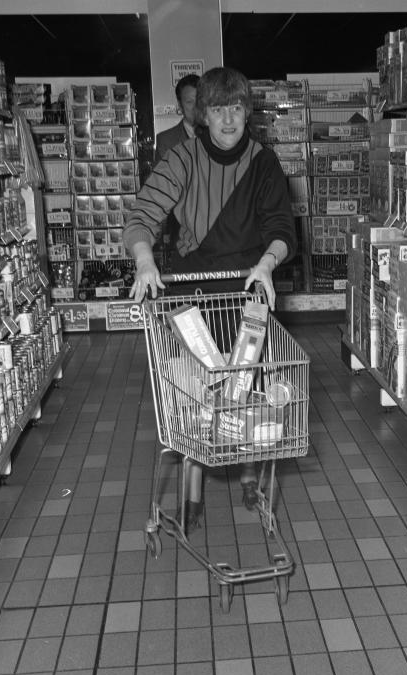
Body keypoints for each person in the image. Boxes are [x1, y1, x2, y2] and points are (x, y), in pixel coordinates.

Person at [123, 66, 296, 532]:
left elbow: (282, 228)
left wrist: (267, 263)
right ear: (203, 115)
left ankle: (248, 475)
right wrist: (145, 261)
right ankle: (193, 493)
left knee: (247, 388)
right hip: (192, 293)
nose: (228, 120)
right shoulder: (182, 158)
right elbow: (142, 216)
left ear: (247, 112)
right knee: (195, 394)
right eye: (218, 110)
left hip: (248, 289)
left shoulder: (263, 162)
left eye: (236, 108)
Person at [154, 74, 200, 163]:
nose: (196, 107)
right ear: (180, 106)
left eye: (199, 100)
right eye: (189, 102)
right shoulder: (166, 141)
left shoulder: (218, 135)